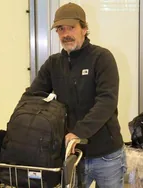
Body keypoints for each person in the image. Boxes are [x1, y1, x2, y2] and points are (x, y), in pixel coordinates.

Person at [24, 2, 127, 188]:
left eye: (71, 28)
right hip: (72, 157)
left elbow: (107, 101)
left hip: (106, 156)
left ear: (84, 29)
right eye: (60, 29)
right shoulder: (53, 64)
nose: (65, 34)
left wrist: (78, 133)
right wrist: (23, 125)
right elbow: (33, 97)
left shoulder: (102, 58)